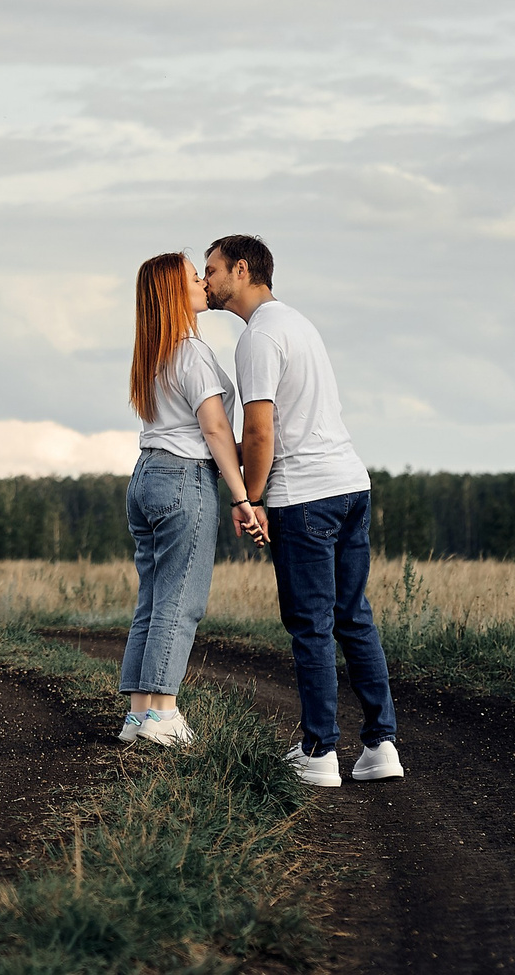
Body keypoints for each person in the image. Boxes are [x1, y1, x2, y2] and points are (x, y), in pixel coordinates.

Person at [203, 234, 403, 786]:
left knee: (311, 627)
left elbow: (261, 429)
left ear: (242, 270)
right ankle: (381, 745)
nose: (208, 281)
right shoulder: (297, 323)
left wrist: (253, 498)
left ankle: (318, 754)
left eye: (212, 270)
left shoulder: (258, 338)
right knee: (353, 617)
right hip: (350, 485)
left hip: (305, 496)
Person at [116, 251, 265, 747]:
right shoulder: (192, 352)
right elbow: (215, 427)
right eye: (193, 276)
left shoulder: (153, 353)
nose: (203, 281)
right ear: (173, 293)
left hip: (147, 476)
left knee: (154, 598)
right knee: (181, 601)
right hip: (184, 478)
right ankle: (164, 713)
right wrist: (243, 496)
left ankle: (139, 715)